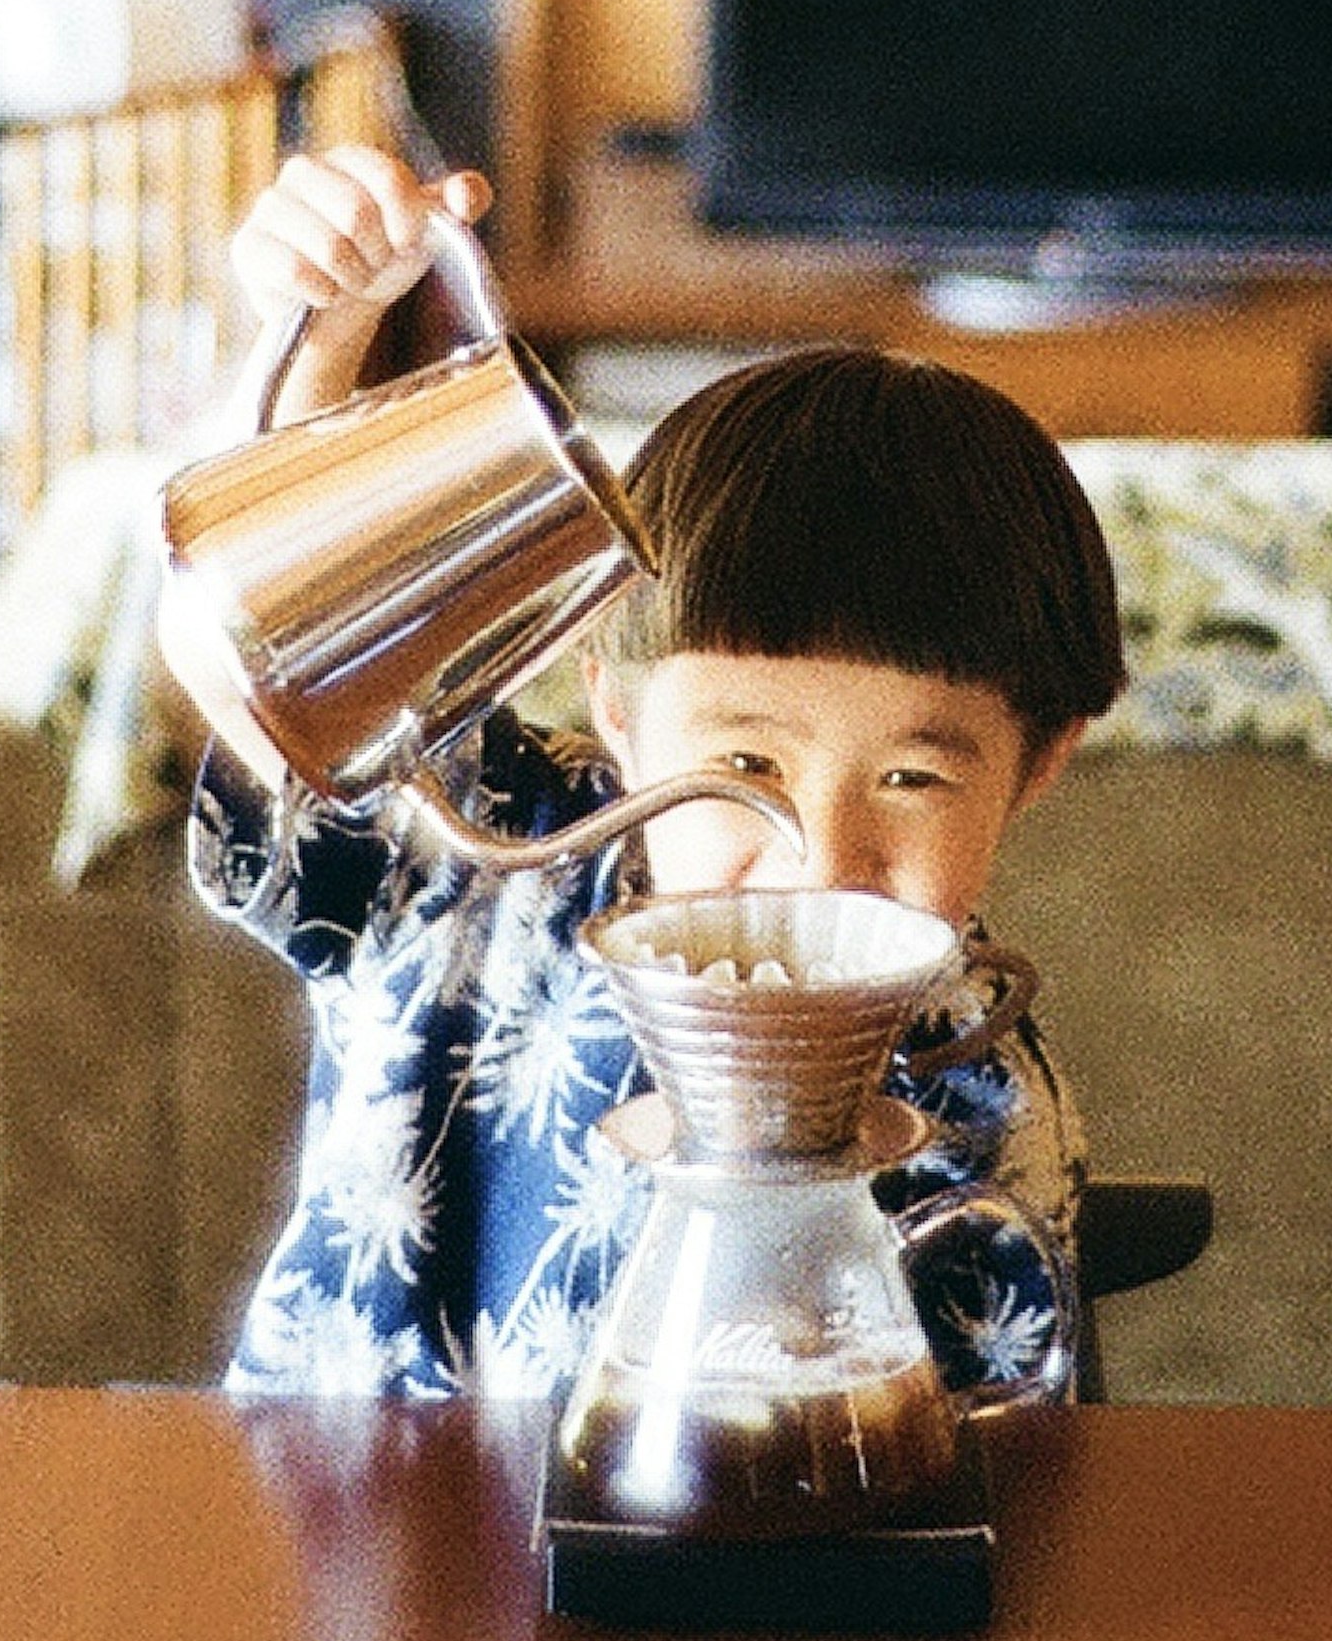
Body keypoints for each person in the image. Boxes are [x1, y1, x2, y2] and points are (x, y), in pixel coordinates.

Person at [157, 141, 1124, 1413]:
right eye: (740, 764)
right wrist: (322, 333)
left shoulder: (980, 1091)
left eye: (908, 780)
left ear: (1037, 765)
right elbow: (252, 655)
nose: (816, 862)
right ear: (614, 712)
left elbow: (962, 1490)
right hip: (346, 1548)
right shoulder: (478, 851)